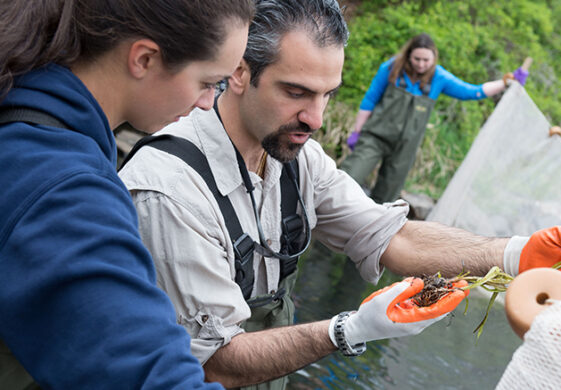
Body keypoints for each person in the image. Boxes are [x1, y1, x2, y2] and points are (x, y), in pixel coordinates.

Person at [119, 1, 561, 389]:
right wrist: (349, 330)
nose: (315, 118)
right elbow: (214, 365)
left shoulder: (297, 156)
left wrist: (523, 254)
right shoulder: (170, 189)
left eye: (328, 95)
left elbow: (394, 238)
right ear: (239, 71)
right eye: (297, 92)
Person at [0, 0, 254, 388]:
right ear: (144, 59)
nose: (208, 103)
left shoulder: (4, 84)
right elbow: (151, 375)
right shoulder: (61, 192)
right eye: (208, 83)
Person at [339, 33, 529, 204]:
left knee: (386, 198)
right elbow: (370, 99)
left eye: (426, 60)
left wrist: (505, 82)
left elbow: (473, 91)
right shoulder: (391, 68)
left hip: (405, 149)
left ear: (433, 58)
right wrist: (357, 131)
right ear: (408, 55)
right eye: (417, 59)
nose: (421, 64)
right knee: (349, 176)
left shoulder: (439, 77)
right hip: (375, 138)